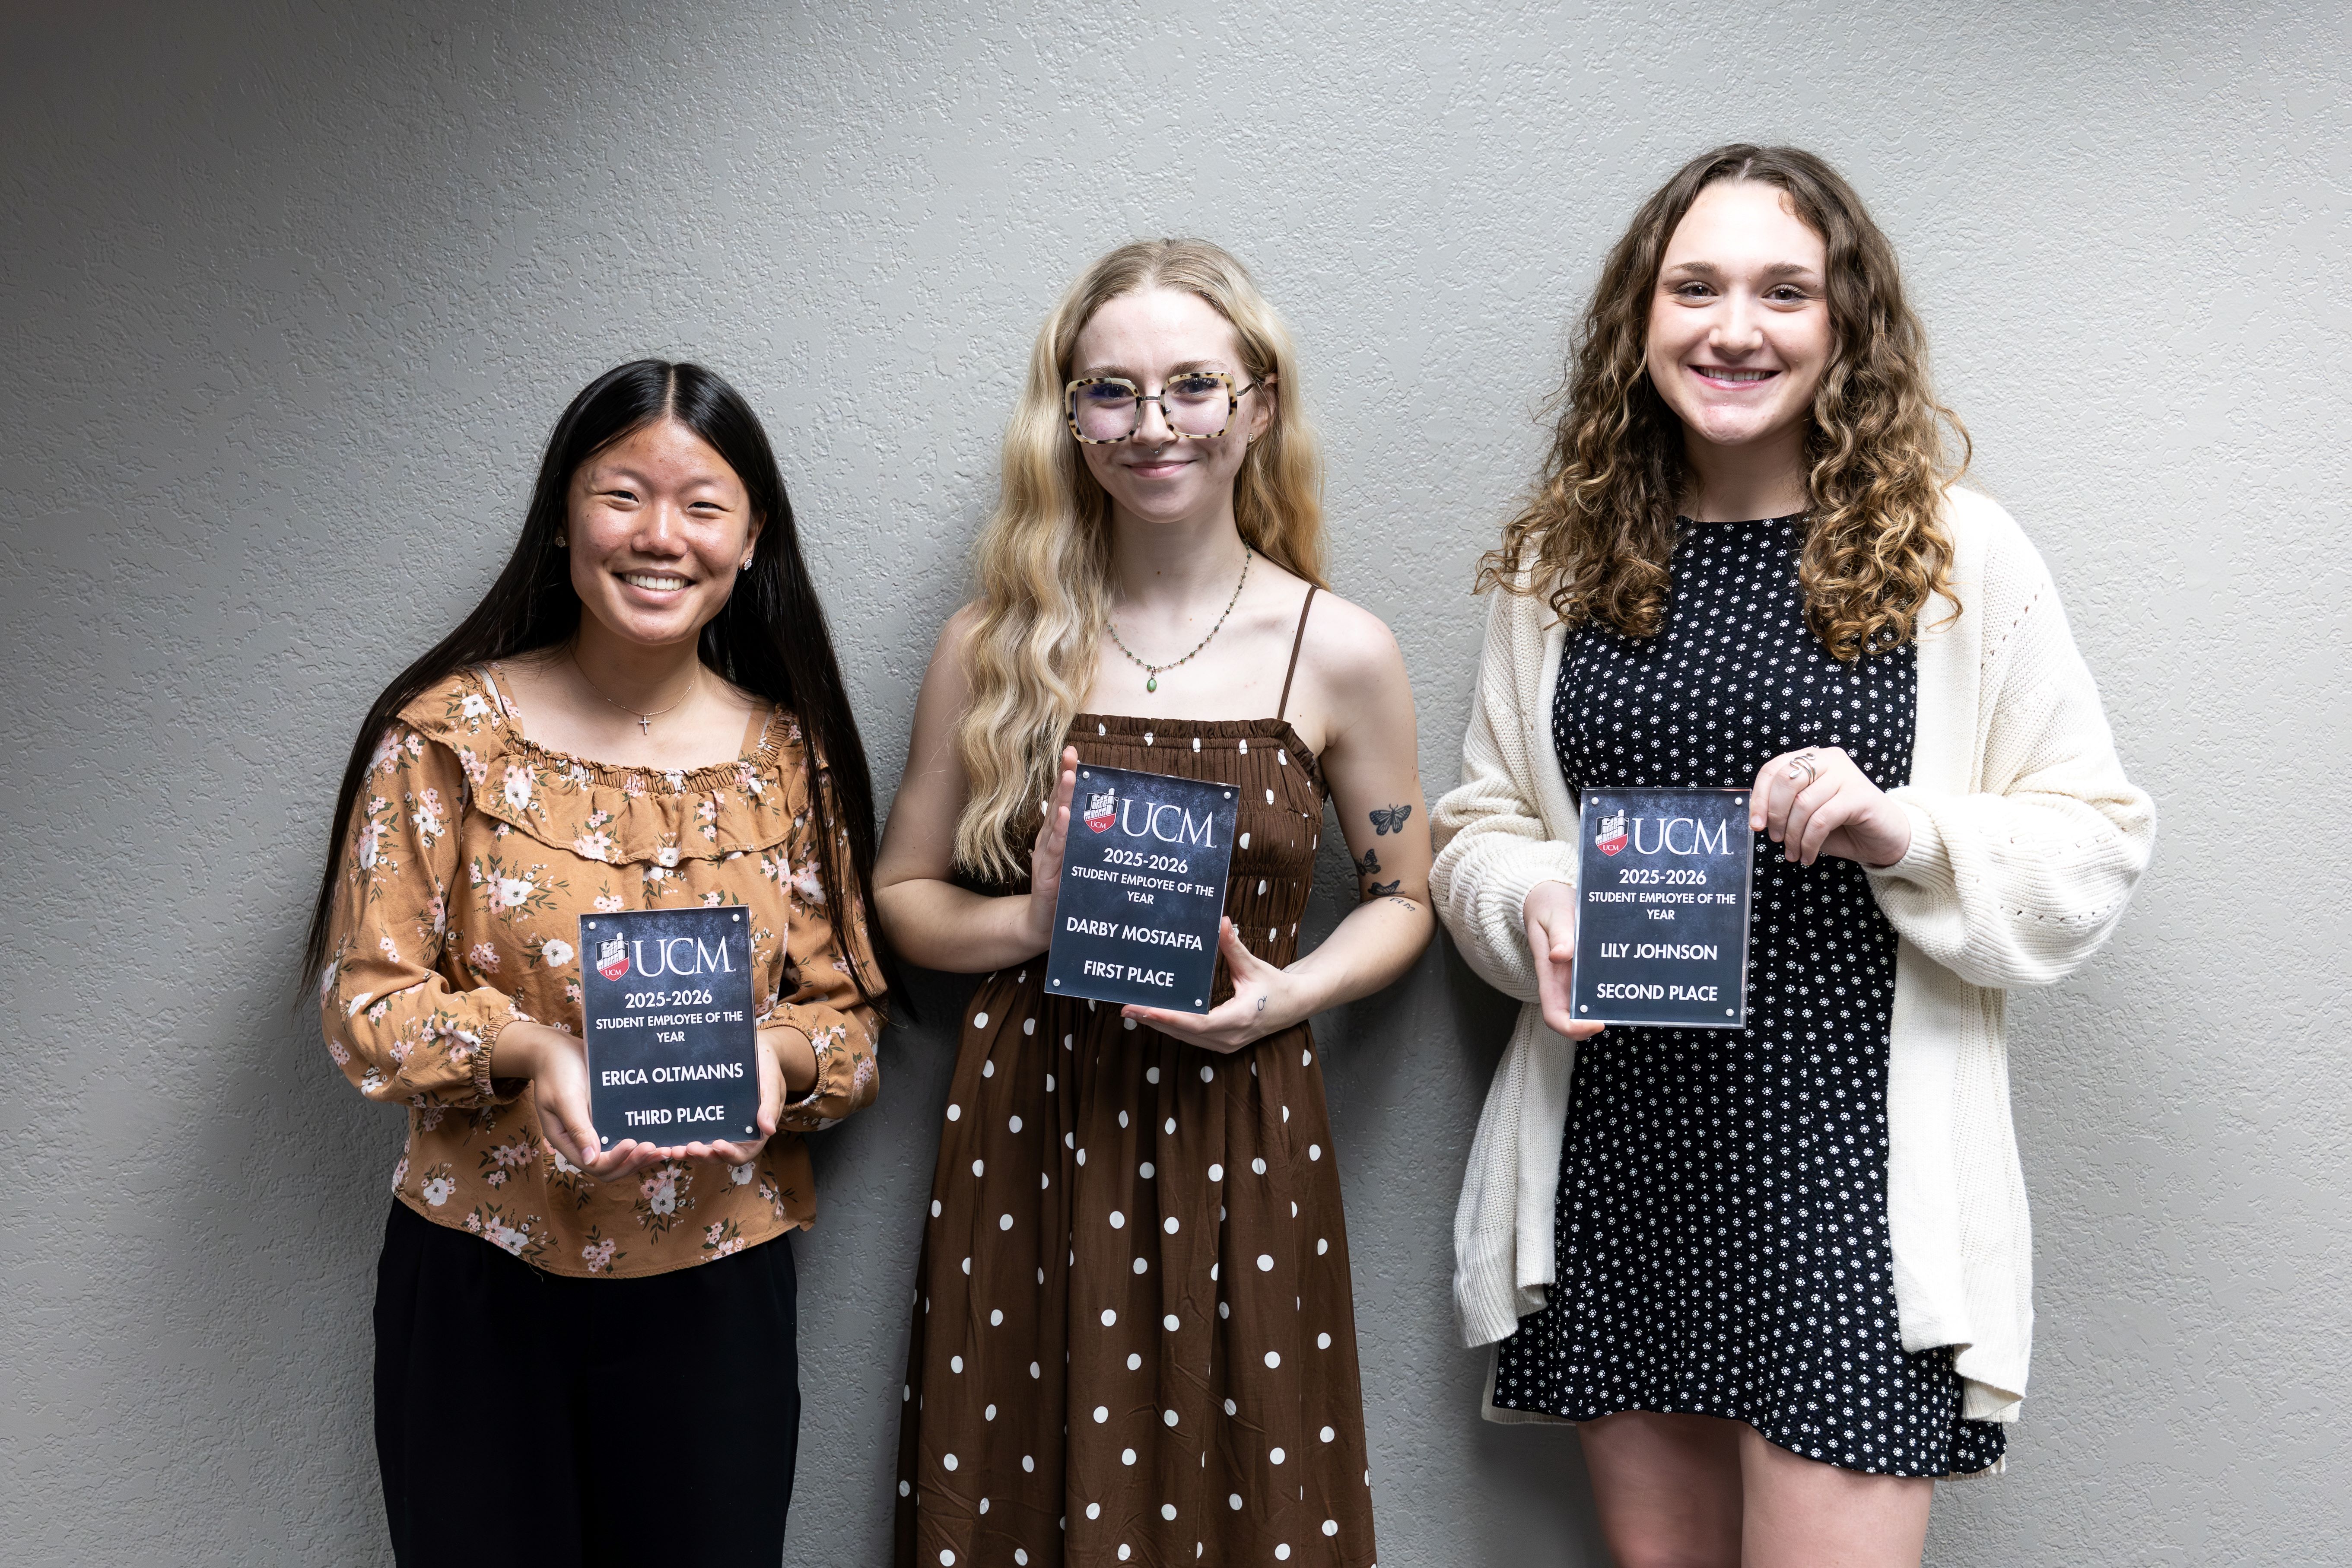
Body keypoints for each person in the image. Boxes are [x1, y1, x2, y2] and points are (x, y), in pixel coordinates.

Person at [1430, 146, 2154, 1567]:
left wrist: (1907, 829)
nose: (1733, 327)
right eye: (1692, 287)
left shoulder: (1958, 556)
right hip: (1624, 1154)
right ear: (1639, 321)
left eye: (1783, 291)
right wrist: (1534, 898)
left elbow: (2094, 847)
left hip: (1849, 1176)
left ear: (1845, 327)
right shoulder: (1561, 567)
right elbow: (1477, 829)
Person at [877, 238, 1433, 1568]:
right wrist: (1028, 922)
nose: (1152, 426)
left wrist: (1290, 996)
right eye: (1109, 393)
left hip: (1239, 1120)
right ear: (1066, 420)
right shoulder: (989, 643)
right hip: (1030, 1125)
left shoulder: (1338, 649)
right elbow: (900, 896)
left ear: (1257, 405)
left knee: (1245, 1494)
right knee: (1014, 1489)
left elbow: (1406, 896)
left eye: (1193, 386)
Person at [306, 359, 888, 1566]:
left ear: (751, 537)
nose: (658, 536)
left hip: (719, 1282)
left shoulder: (792, 756)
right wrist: (530, 1051)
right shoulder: (446, 735)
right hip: (481, 1274)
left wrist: (776, 1061)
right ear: (564, 516)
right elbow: (367, 1004)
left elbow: (846, 1024)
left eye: (702, 505)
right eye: (622, 495)